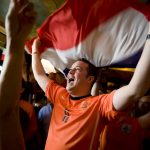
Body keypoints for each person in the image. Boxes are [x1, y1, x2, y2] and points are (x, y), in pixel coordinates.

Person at [31, 16, 150, 149]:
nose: (70, 72)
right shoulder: (59, 94)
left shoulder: (98, 105)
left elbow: (134, 90)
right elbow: (39, 74)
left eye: (77, 69)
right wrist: (35, 51)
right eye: (71, 69)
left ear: (90, 79)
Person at [0, 0, 36, 150]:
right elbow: (6, 112)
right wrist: (16, 41)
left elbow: (7, 112)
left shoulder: (26, 109)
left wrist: (16, 41)